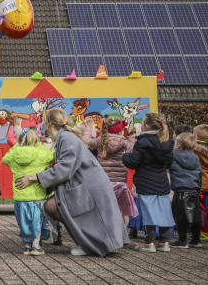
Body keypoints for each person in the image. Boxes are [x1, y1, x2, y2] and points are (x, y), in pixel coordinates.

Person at [16, 108, 127, 257]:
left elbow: (65, 168)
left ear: (49, 124)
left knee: (53, 206)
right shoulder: (65, 137)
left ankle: (88, 245)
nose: (42, 125)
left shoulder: (66, 139)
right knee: (53, 206)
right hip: (85, 185)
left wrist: (34, 177)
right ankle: (87, 243)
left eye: (44, 121)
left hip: (88, 188)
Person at [123, 113, 174, 253]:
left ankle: (149, 243)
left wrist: (125, 155)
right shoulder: (167, 142)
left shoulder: (143, 142)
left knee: (148, 212)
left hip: (145, 181)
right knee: (163, 211)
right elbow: (170, 162)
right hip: (162, 181)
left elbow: (133, 162)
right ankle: (164, 242)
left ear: (146, 125)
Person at [2, 129, 53, 256]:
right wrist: (39, 145)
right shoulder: (40, 154)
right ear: (35, 140)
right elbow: (51, 156)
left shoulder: (15, 154)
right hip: (36, 196)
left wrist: (17, 146)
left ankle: (26, 246)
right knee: (36, 221)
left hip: (20, 196)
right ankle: (36, 246)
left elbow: (5, 159)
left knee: (24, 222)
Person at [85, 118, 138, 224]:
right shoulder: (125, 142)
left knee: (105, 208)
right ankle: (122, 234)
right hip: (120, 183)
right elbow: (134, 145)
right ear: (120, 130)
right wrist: (131, 135)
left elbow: (87, 141)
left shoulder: (101, 140)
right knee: (121, 210)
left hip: (104, 182)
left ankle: (105, 231)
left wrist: (88, 128)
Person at [169, 132, 203, 248]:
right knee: (196, 215)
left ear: (178, 144)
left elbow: (168, 166)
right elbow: (200, 173)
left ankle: (182, 240)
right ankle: (196, 239)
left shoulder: (173, 155)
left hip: (180, 189)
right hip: (194, 188)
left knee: (181, 216)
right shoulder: (196, 157)